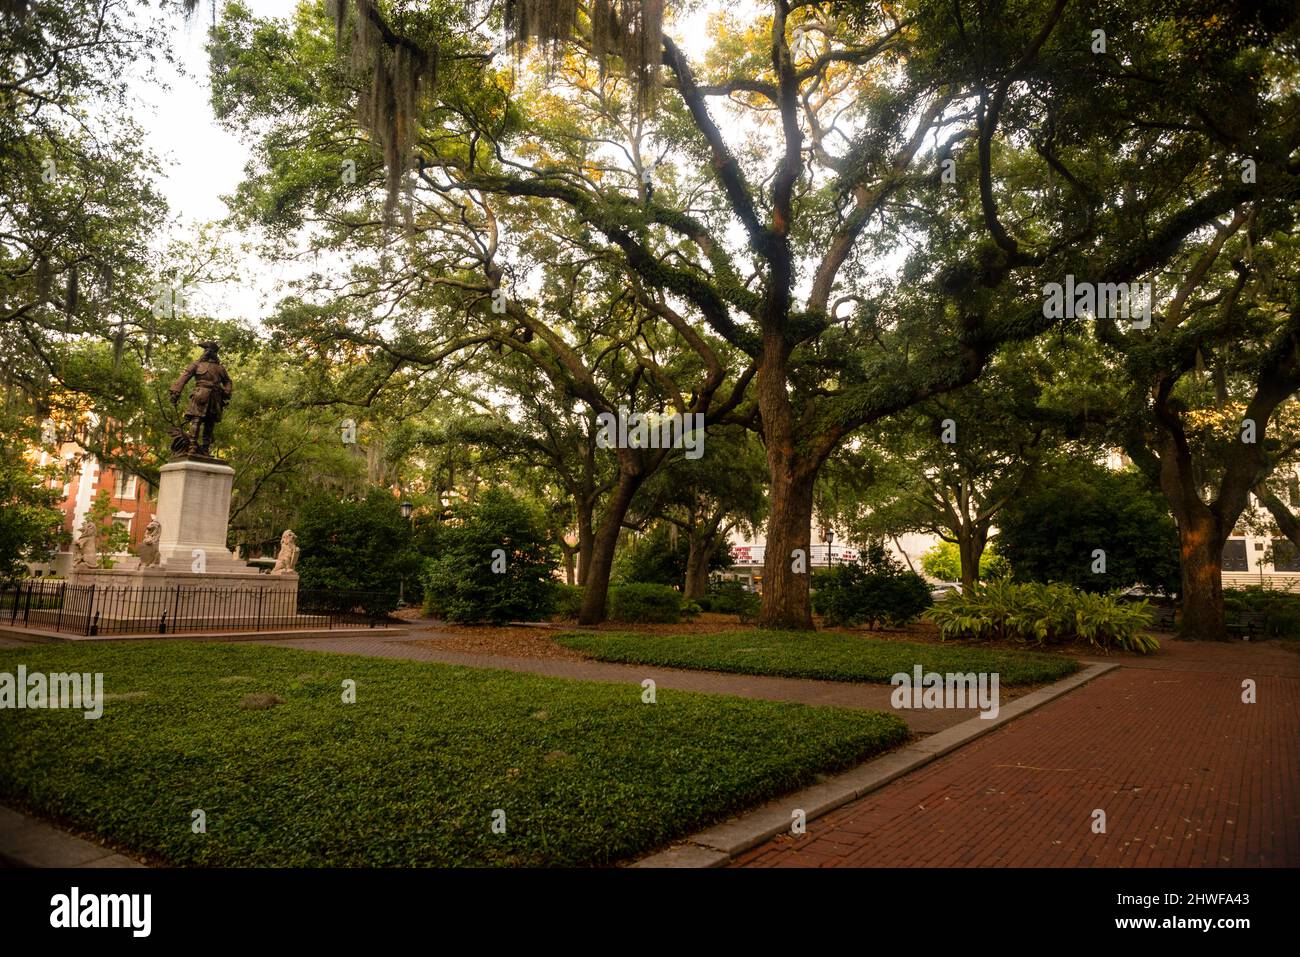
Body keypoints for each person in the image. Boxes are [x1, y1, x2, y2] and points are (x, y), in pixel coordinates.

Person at [169, 341, 233, 456]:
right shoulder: (196, 364)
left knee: (209, 424)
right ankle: (192, 446)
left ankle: (205, 448)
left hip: (215, 398)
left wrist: (227, 391)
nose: (206, 352)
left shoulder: (220, 368)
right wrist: (176, 391)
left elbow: (227, 381)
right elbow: (185, 376)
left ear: (214, 353)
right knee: (196, 421)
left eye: (209, 350)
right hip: (200, 395)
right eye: (205, 350)